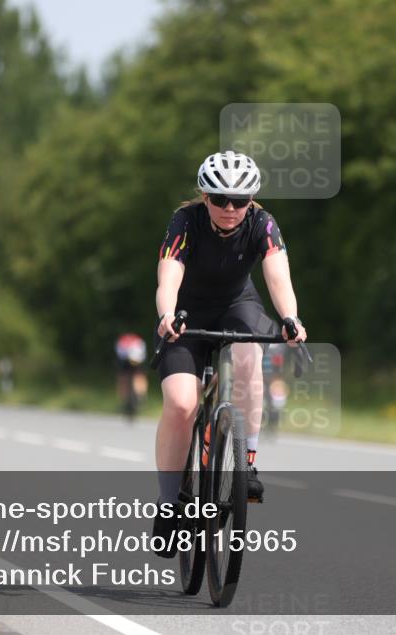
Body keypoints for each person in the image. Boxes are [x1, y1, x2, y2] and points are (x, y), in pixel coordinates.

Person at [152, 150, 307, 556]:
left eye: (239, 201)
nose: (229, 208)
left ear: (250, 201)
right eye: (219, 199)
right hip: (185, 313)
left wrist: (291, 318)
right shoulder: (185, 221)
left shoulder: (263, 224)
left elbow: (278, 276)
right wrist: (167, 314)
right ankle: (169, 504)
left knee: (248, 358)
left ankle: (247, 462)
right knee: (182, 404)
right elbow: (169, 274)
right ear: (205, 197)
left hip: (239, 305)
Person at [115, 333, 147, 422]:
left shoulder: (139, 345)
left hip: (137, 356)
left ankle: (140, 397)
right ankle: (125, 400)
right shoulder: (122, 347)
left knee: (139, 375)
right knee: (123, 377)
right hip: (125, 358)